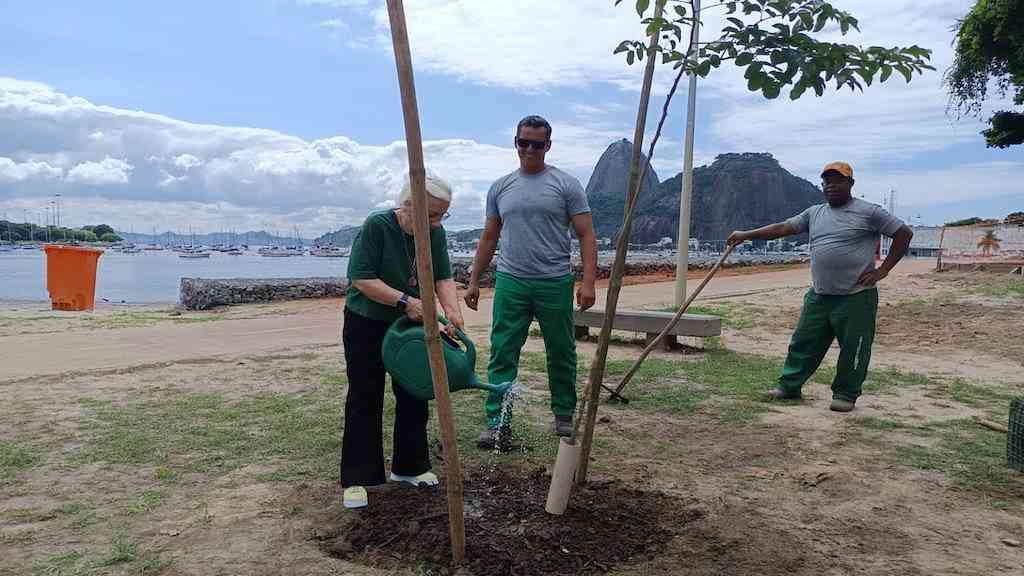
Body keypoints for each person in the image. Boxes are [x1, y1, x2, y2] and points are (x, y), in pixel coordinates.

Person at [726, 161, 913, 412]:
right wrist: (745, 234)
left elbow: (904, 233)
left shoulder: (870, 212)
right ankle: (789, 387)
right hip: (820, 294)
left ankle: (846, 394)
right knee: (803, 342)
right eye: (826, 182)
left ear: (851, 184)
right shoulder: (814, 213)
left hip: (856, 296)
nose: (831, 186)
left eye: (838, 181)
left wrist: (883, 270)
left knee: (854, 348)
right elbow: (782, 228)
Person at [464, 115, 598, 448]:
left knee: (562, 350)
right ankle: (498, 424)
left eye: (537, 144)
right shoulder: (500, 187)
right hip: (511, 281)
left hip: (554, 281)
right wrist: (473, 280)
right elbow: (489, 236)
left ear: (548, 146)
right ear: (516, 142)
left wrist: (588, 282)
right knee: (503, 351)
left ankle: (564, 415)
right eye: (524, 142)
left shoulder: (566, 185)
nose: (529, 150)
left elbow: (586, 235)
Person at [340, 175, 465, 509]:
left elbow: (442, 276)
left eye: (442, 215)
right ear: (409, 206)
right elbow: (362, 279)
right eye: (433, 214)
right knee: (365, 396)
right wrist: (406, 302)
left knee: (414, 391)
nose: (438, 223)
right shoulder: (377, 226)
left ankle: (410, 467)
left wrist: (452, 311)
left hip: (408, 322)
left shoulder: (434, 233)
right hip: (366, 321)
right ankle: (358, 477)